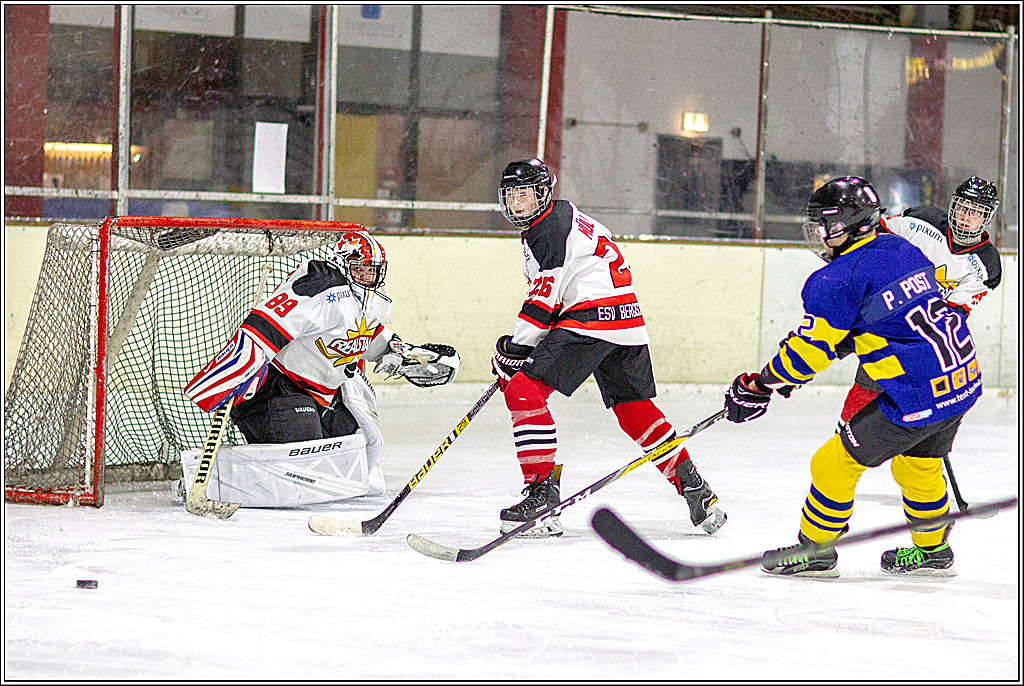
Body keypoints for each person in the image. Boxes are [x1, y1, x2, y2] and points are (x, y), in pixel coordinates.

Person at [723, 176, 982, 577]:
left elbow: (807, 355)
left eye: (824, 225)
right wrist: (842, 340)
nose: (819, 235)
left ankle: (816, 551)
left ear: (846, 224)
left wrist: (761, 384)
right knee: (917, 465)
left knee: (832, 463)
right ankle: (933, 550)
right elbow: (893, 315)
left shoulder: (837, 277)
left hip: (919, 395)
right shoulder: (903, 249)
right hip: (963, 380)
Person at [490, 158, 726, 538]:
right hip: (626, 319)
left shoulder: (547, 230)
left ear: (544, 193)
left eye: (526, 195)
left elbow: (544, 300)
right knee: (634, 411)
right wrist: (522, 346)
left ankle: (542, 498)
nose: (518, 204)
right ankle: (694, 487)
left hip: (591, 318)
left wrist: (515, 350)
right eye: (512, 196)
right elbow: (560, 293)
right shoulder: (566, 218)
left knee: (522, 390)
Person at [181, 229, 460, 507]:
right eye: (359, 269)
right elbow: (262, 328)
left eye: (372, 271)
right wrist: (235, 372)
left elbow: (368, 336)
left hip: (324, 396)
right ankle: (203, 477)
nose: (366, 277)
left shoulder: (368, 299)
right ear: (342, 263)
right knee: (304, 463)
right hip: (279, 390)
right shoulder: (321, 287)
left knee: (353, 457)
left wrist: (405, 355)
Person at [835, 176, 1002, 428]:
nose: (965, 217)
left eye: (975, 212)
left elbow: (952, 315)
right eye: (963, 208)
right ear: (953, 205)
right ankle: (843, 433)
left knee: (923, 400)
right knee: (862, 376)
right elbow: (875, 233)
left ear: (986, 217)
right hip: (885, 312)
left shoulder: (987, 264)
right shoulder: (923, 220)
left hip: (924, 334)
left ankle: (910, 445)